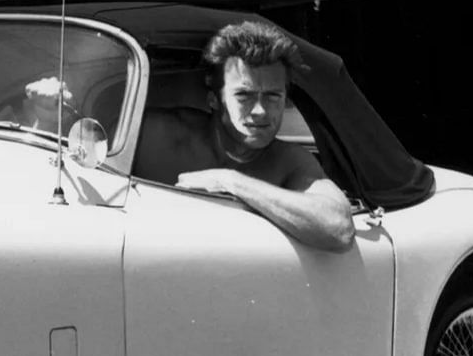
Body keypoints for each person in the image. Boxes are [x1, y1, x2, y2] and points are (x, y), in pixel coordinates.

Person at [143, 21, 354, 251]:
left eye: (273, 96)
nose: (260, 110)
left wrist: (231, 182)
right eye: (244, 95)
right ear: (214, 99)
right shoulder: (156, 134)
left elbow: (339, 228)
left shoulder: (289, 161)